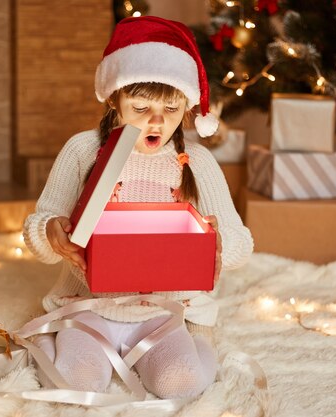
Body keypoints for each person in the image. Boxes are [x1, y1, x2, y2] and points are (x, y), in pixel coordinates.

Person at [22, 15, 253, 399]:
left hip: (162, 312)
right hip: (89, 307)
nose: (158, 123)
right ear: (114, 98)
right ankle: (50, 337)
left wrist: (218, 243)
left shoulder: (195, 161)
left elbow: (241, 242)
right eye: (141, 107)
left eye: (173, 109)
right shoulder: (83, 150)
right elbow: (39, 226)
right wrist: (51, 233)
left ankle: (200, 342)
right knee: (76, 383)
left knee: (184, 385)